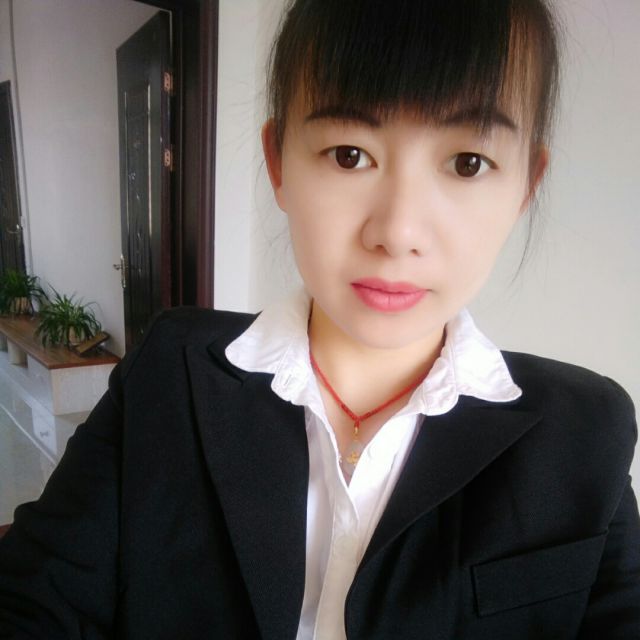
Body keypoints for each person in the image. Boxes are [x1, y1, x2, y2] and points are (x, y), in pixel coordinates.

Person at [1, 0, 638, 638]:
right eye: (349, 154)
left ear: (526, 184)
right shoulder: (168, 371)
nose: (397, 232)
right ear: (279, 163)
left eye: (467, 162)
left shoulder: (586, 433)